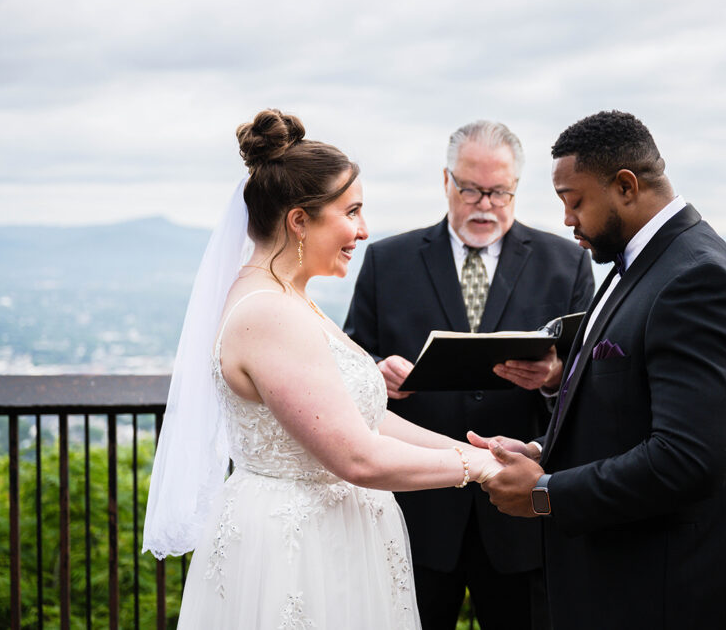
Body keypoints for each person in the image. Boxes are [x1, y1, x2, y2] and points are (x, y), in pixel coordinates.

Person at [142, 109, 503, 629]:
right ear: (299, 220)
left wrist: (470, 448)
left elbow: (362, 419)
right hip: (296, 549)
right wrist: (480, 470)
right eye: (351, 211)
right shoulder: (267, 313)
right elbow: (356, 455)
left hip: (336, 537)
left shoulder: (292, 297)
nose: (363, 230)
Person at [472, 110, 726, 629]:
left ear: (626, 186)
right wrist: (546, 451)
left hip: (666, 592)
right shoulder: (640, 263)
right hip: (621, 581)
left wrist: (545, 493)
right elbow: (625, 411)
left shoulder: (695, 277)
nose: (567, 220)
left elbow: (688, 459)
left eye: (575, 201)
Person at [344, 120, 594, 630]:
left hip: (518, 512)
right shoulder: (387, 260)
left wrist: (552, 374)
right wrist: (376, 374)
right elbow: (351, 359)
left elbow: (589, 380)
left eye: (500, 192)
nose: (485, 204)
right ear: (446, 182)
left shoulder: (566, 262)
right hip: (416, 509)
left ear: (517, 188)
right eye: (472, 189)